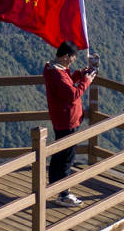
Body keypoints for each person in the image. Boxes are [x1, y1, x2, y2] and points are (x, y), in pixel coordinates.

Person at [42, 40, 99, 206]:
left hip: (62, 118)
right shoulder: (57, 74)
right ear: (66, 56)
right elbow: (72, 93)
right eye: (73, 58)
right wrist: (86, 81)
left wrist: (82, 74)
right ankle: (64, 194)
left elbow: (67, 82)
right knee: (67, 158)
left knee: (59, 154)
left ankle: (53, 186)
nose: (73, 61)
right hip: (67, 120)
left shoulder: (54, 69)